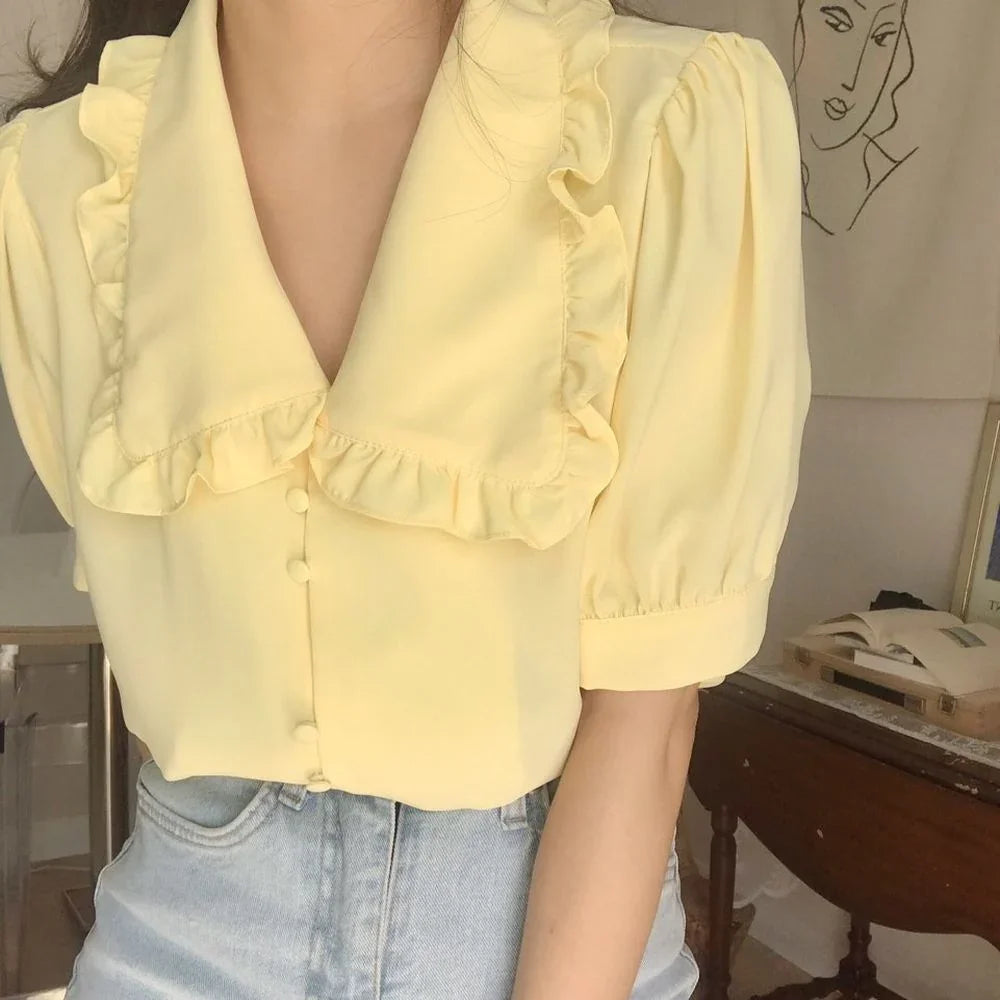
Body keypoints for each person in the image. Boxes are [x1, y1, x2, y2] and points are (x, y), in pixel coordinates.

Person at [0, 0, 811, 996]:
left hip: (554, 928)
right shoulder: (59, 180)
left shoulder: (665, 119)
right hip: (183, 935)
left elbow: (645, 713)